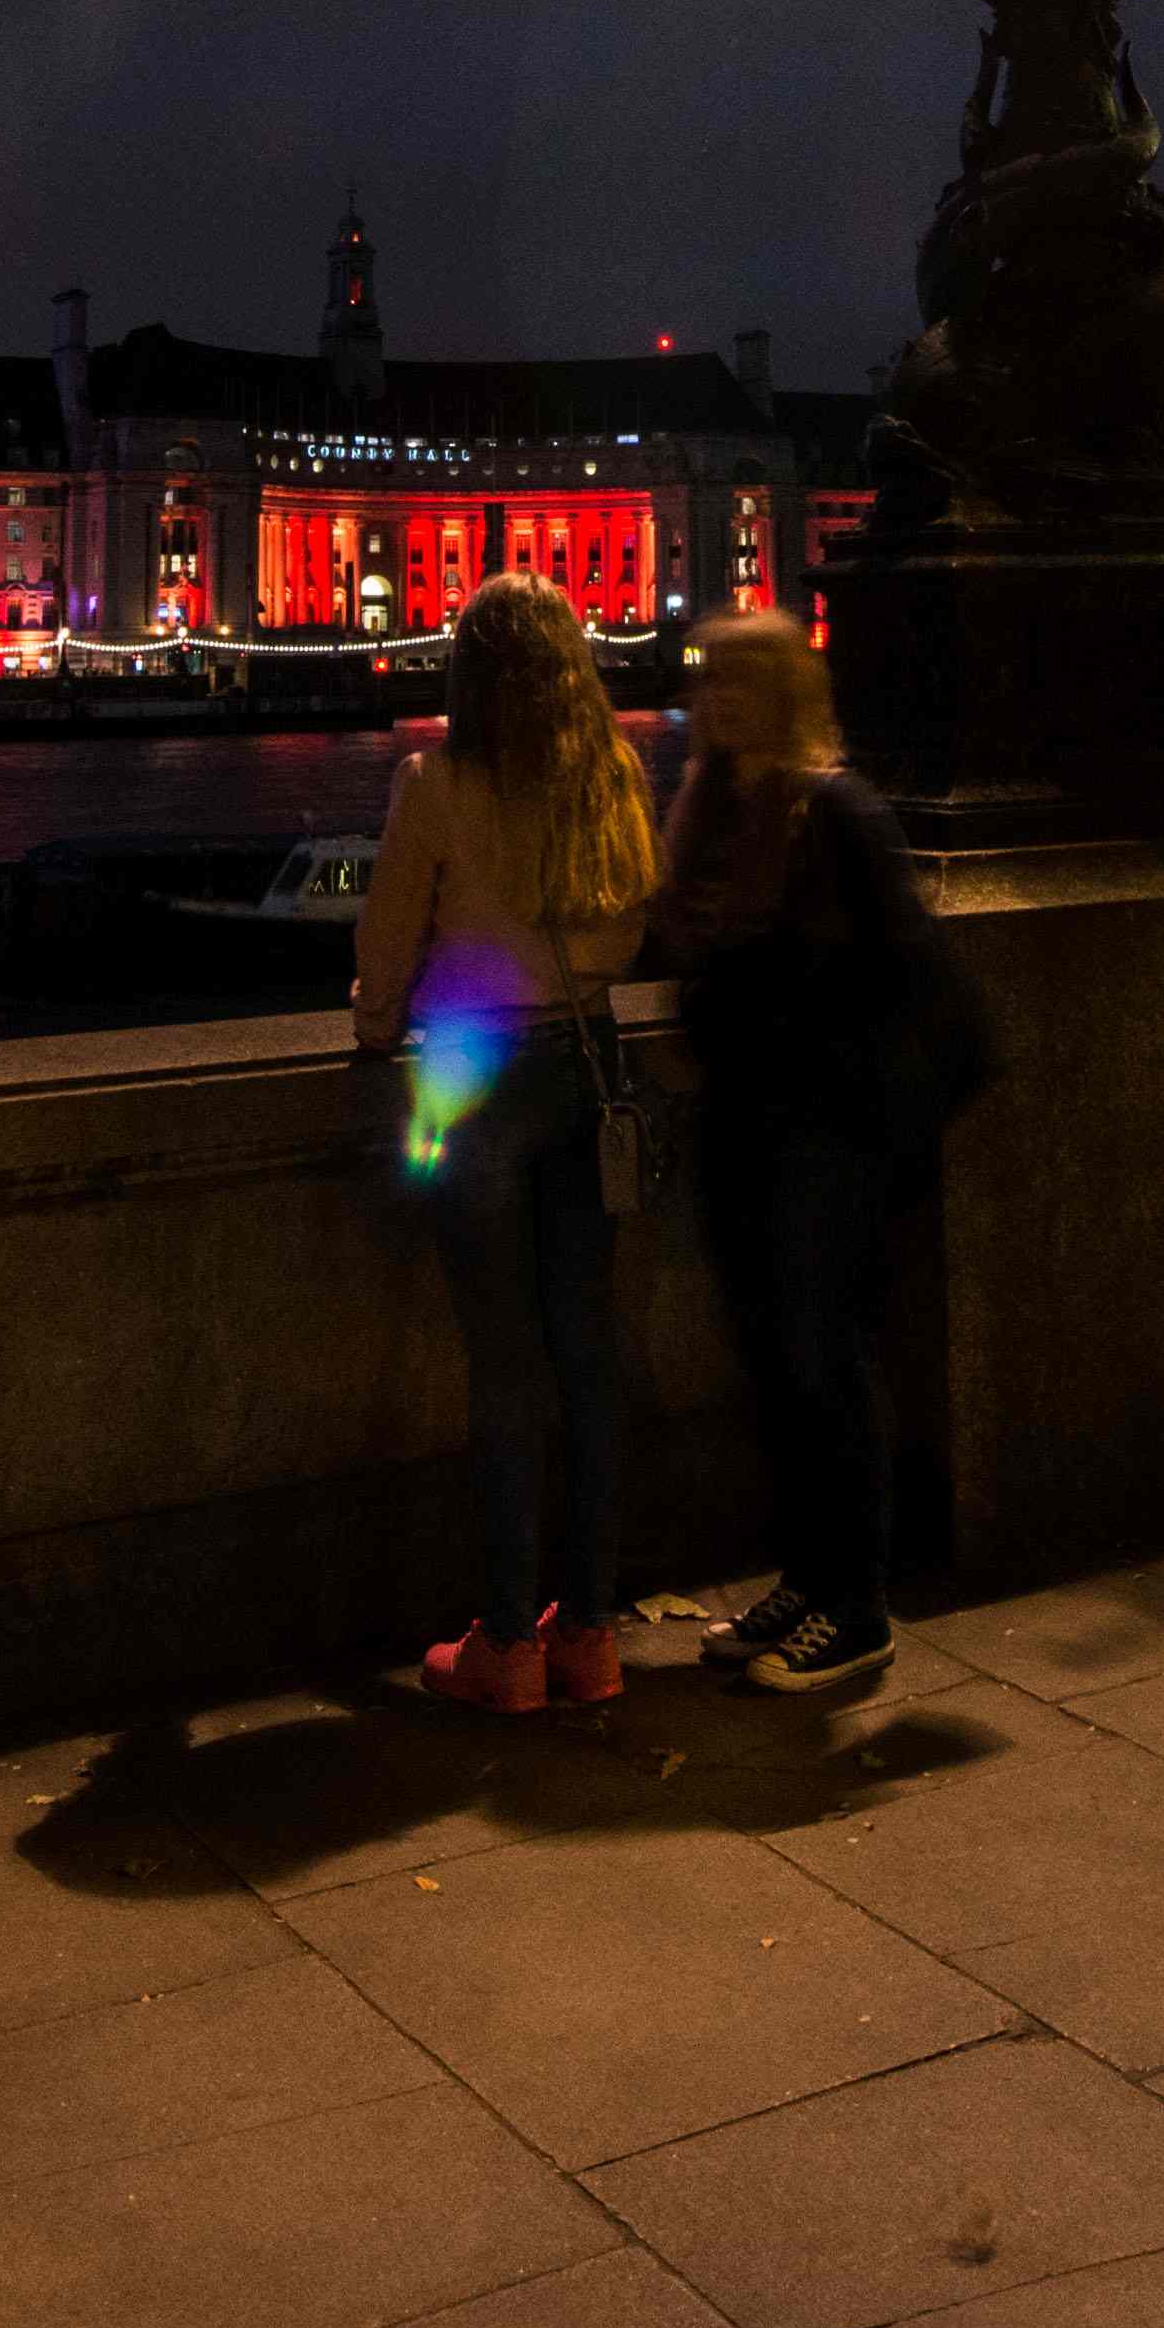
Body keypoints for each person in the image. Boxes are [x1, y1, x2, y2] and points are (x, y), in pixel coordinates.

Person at [650, 612, 995, 1700]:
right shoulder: (711, 808)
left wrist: (874, 1120)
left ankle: (857, 1605)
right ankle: (806, 1578)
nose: (725, 697)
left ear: (791, 690)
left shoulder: (834, 809)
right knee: (770, 1361)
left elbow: (911, 970)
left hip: (821, 1132)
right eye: (714, 679)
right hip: (742, 1124)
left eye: (749, 679)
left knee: (824, 1362)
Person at [347, 576, 659, 1718]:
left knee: (503, 1365)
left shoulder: (434, 780)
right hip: (588, 1067)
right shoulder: (615, 774)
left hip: (470, 1077)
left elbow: (387, 939)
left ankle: (504, 1642)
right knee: (586, 1355)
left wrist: (376, 1032)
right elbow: (627, 923)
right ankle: (588, 1632)